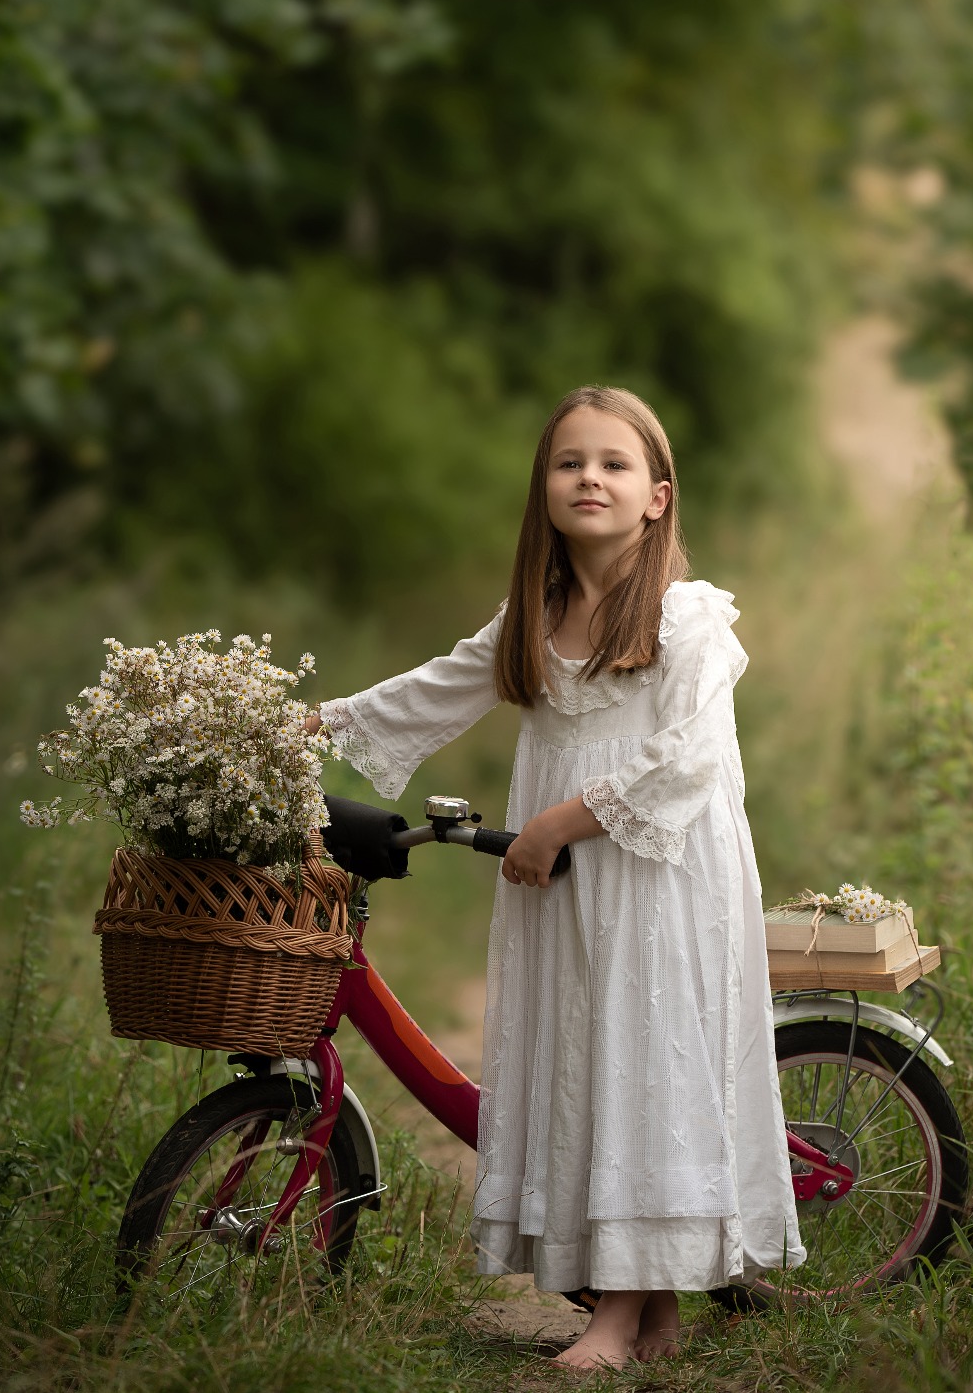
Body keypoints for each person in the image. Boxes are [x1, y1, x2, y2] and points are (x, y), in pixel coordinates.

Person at [306, 386, 803, 1371]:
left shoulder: (684, 617)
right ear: (543, 489)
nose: (590, 478)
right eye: (570, 461)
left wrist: (558, 823)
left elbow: (686, 758)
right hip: (569, 878)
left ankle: (616, 1318)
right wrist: (299, 727)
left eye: (614, 464)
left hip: (657, 874)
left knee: (641, 1061)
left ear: (656, 496)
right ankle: (649, 1318)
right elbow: (433, 689)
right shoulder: (537, 614)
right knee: (585, 1058)